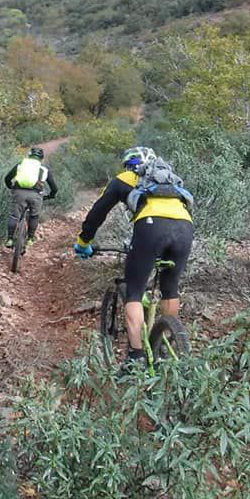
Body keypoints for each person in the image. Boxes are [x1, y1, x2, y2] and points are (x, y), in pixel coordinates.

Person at [73, 147, 193, 366]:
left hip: (150, 228)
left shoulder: (123, 179)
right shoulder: (170, 181)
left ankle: (135, 359)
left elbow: (97, 212)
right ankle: (165, 347)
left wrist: (84, 242)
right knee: (170, 287)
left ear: (128, 164)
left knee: (134, 291)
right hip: (185, 228)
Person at [4, 147, 58, 248]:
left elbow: (7, 178)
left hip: (18, 193)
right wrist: (51, 196)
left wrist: (11, 187)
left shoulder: (20, 165)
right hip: (36, 195)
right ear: (41, 158)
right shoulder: (44, 169)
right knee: (34, 216)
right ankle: (30, 239)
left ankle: (10, 239)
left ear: (29, 156)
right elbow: (54, 188)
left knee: (14, 216)